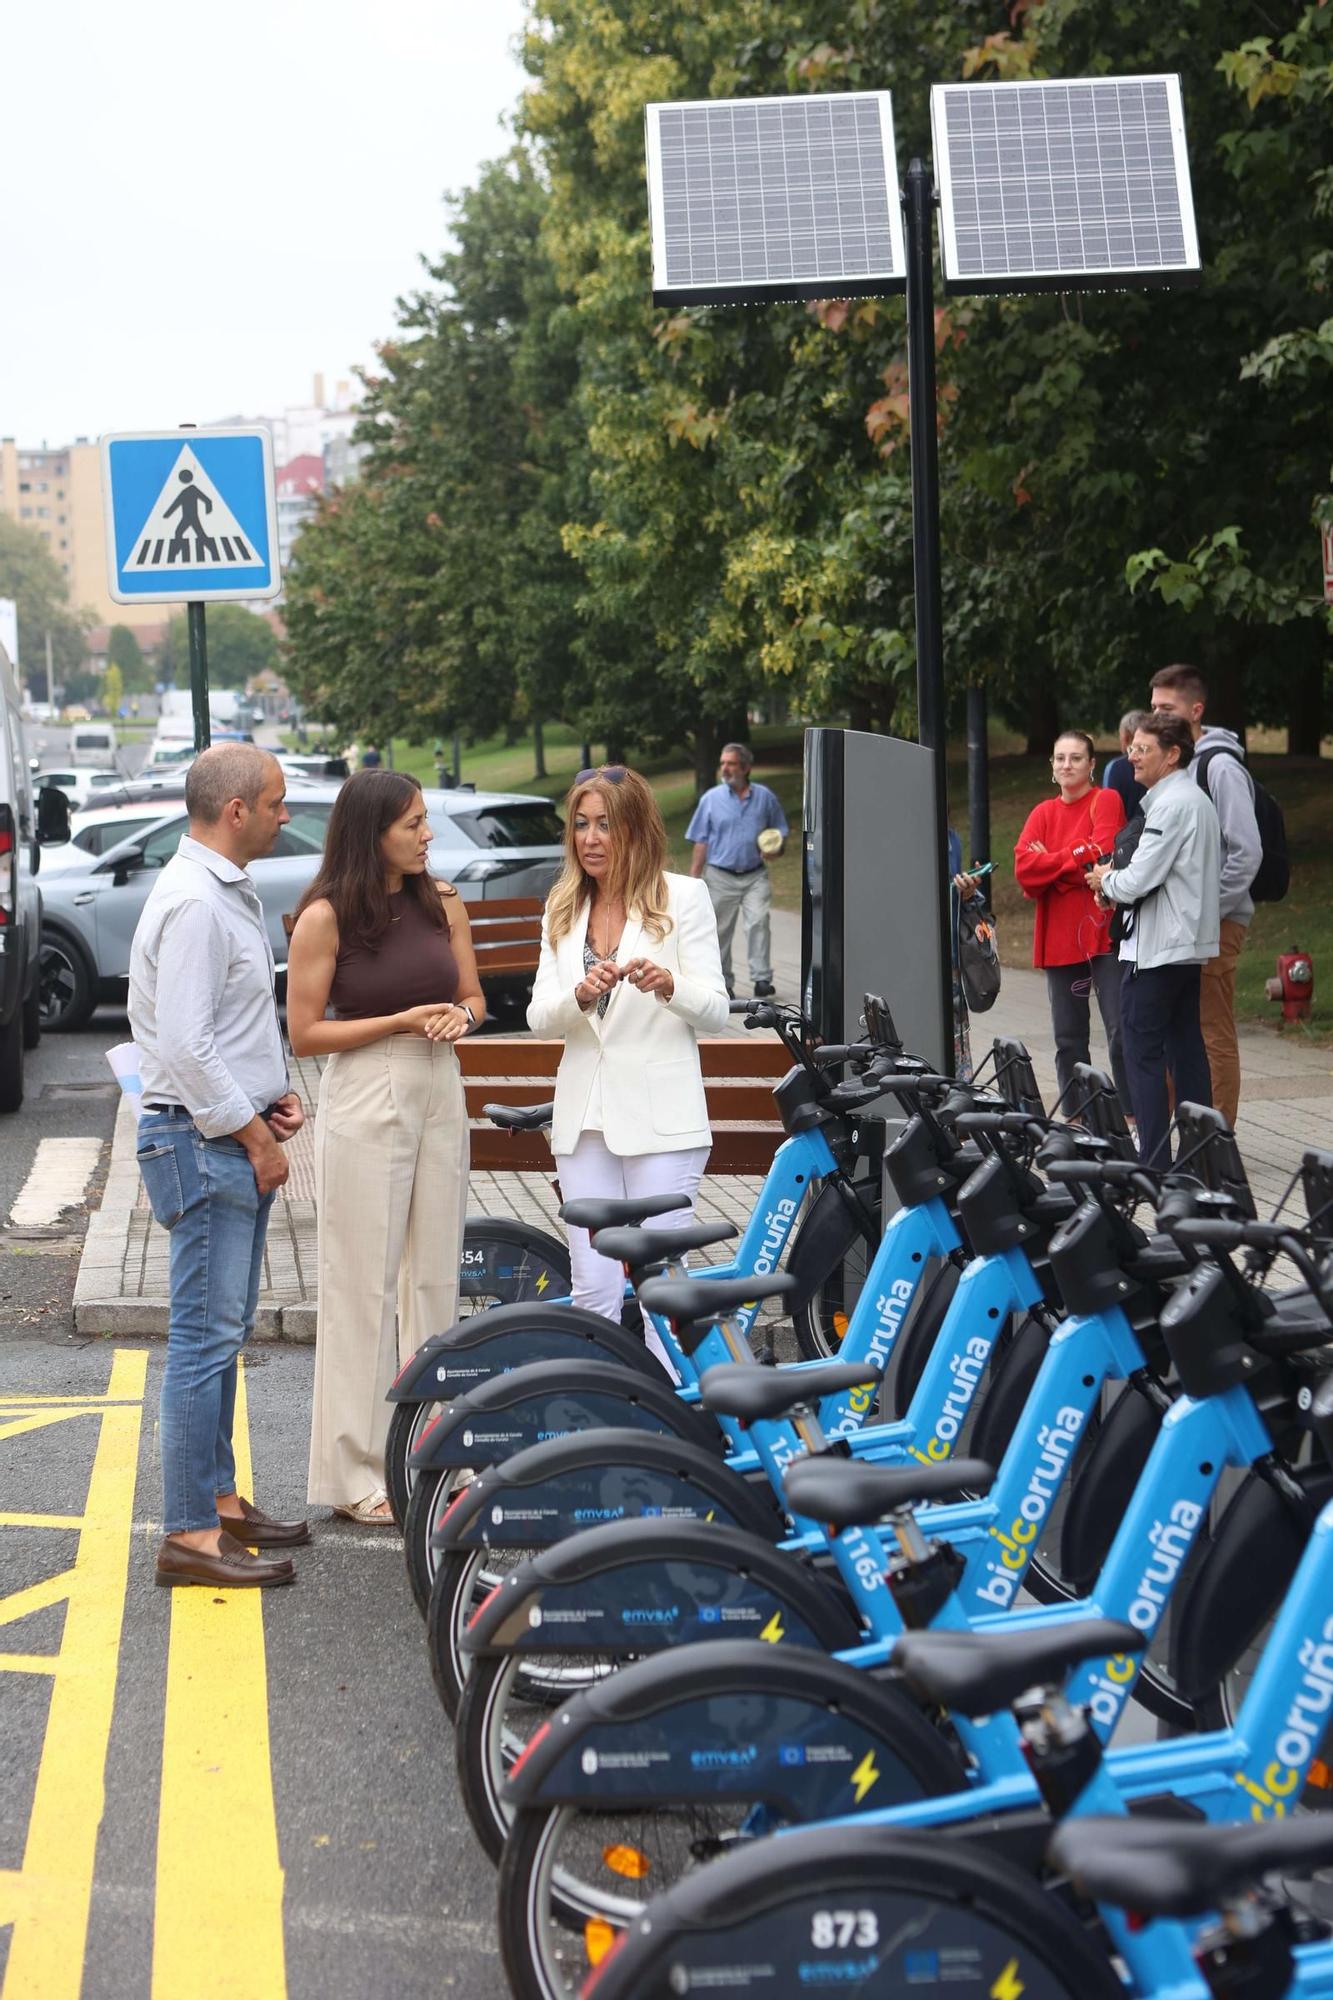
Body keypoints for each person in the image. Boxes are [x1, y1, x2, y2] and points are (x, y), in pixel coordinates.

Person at [128, 744, 309, 1588]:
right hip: (204, 1147)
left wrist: (269, 1096)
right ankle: (191, 1535)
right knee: (203, 1344)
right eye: (275, 802)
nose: (284, 813)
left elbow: (225, 1034)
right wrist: (257, 1137)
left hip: (221, 1135)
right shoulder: (197, 902)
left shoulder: (215, 889)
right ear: (235, 810)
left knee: (221, 1337)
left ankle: (221, 1501)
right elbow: (186, 1047)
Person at [286, 771, 483, 1524]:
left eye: (426, 820)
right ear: (372, 834)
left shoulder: (444, 902)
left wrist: (456, 1020)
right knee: (360, 1284)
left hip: (440, 1082)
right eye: (413, 823)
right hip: (368, 1085)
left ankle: (432, 1453)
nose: (427, 834)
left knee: (432, 1277)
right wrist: (401, 1020)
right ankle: (353, 1472)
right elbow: (304, 1034)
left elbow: (472, 998)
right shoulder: (326, 917)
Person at [530, 765, 729, 1362]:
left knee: (661, 1288)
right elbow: (541, 1017)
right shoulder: (563, 907)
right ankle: (601, 1419)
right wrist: (580, 995)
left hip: (661, 1122)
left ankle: (668, 1429)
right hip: (584, 1120)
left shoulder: (683, 897)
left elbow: (717, 1010)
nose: (590, 838)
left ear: (637, 830)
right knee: (593, 1286)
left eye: (605, 825)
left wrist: (670, 985)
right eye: (581, 825)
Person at [1090, 713, 1220, 1167]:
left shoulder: (1171, 805)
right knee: (1187, 1052)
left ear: (1172, 755)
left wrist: (1106, 881)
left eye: (1143, 750)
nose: (1132, 757)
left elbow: (1140, 879)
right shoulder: (1194, 800)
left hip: (1158, 950)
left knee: (1140, 1053)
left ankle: (1155, 1164)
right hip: (1184, 949)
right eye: (1132, 748)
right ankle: (1201, 1159)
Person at [1148, 665, 1261, 1131]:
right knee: (1181, 1031)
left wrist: (1208, 909)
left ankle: (1218, 1136)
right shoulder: (1179, 763)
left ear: (1196, 710)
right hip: (1183, 923)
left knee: (1211, 1031)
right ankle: (1191, 1129)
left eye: (1166, 709)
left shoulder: (1221, 767)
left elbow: (1246, 850)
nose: (1156, 716)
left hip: (1216, 921)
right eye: (1152, 707)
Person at [1014, 730, 1130, 1114]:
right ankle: (1079, 1117)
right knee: (1068, 1037)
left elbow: (1105, 849)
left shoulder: (1106, 800)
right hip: (1060, 938)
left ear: (1092, 764)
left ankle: (1133, 1115)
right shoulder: (1042, 813)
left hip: (1103, 933)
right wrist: (1074, 863)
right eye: (1060, 758)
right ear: (1051, 765)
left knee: (1120, 1030)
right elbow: (1024, 872)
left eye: (1076, 758)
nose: (1067, 765)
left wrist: (1052, 865)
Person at [686, 742, 788, 998]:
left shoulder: (765, 798)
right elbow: (701, 840)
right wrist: (693, 879)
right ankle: (724, 983)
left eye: (730, 763)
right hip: (719, 875)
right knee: (720, 930)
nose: (725, 768)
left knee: (759, 922)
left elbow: (780, 833)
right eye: (722, 763)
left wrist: (775, 850)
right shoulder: (711, 799)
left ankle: (762, 979)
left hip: (755, 875)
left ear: (745, 767)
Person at [1102, 710, 1148, 824]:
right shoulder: (1159, 761)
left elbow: (1108, 810)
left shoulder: (1116, 767)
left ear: (1126, 737)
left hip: (1124, 837)